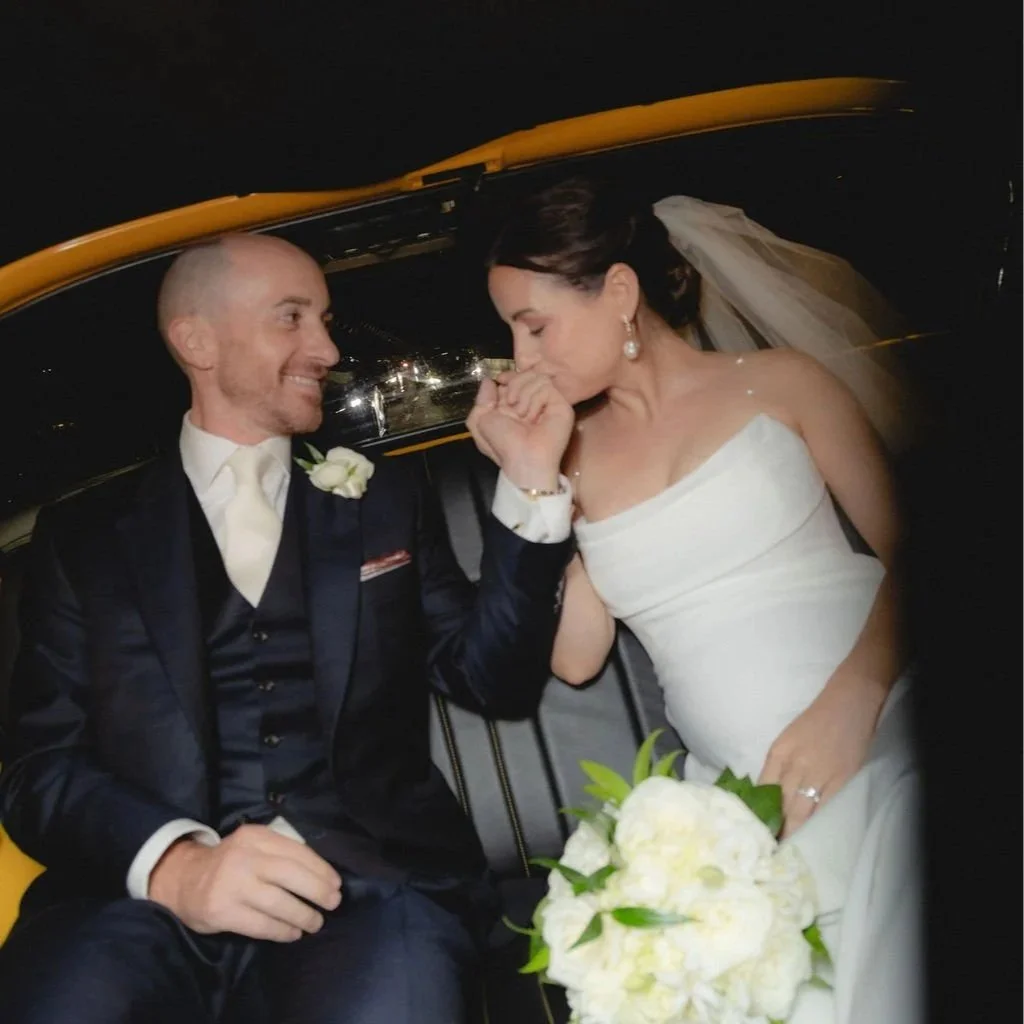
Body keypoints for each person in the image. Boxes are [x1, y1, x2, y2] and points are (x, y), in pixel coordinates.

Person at [0, 232, 576, 1023]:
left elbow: (492, 680)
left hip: (370, 890)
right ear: (196, 340)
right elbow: (39, 770)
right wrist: (172, 866)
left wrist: (532, 481)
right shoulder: (85, 536)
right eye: (292, 318)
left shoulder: (383, 498)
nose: (328, 347)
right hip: (130, 909)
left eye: (326, 319)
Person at [471, 176, 923, 1024]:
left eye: (534, 327)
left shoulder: (783, 382)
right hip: (743, 792)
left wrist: (853, 701)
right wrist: (534, 478)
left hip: (881, 704)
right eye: (509, 334)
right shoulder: (572, 457)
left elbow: (918, 550)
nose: (522, 358)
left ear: (618, 293)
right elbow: (574, 658)